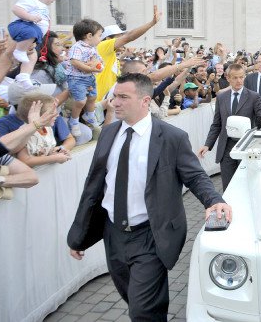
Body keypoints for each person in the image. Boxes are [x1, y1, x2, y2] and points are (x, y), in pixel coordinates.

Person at [67, 73, 230, 321]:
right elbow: (94, 188)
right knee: (134, 299)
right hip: (113, 234)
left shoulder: (172, 138)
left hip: (150, 235)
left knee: (143, 311)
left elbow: (195, 176)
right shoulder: (109, 134)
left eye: (123, 97)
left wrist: (214, 200)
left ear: (145, 101)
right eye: (114, 96)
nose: (115, 102)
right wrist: (79, 236)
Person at [198, 63, 261, 190]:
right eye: (235, 78)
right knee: (228, 187)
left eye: (241, 77)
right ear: (228, 78)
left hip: (245, 147)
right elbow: (217, 124)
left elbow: (260, 114)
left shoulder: (253, 96)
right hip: (226, 148)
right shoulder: (221, 97)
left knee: (246, 185)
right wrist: (207, 145)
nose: (239, 80)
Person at [96, 5, 163, 102]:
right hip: (98, 105)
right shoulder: (103, 45)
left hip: (107, 104)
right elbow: (130, 36)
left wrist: (124, 55)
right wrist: (152, 23)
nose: (123, 40)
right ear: (108, 39)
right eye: (120, 37)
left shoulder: (111, 55)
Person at [8, 0, 58, 89]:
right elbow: (16, 9)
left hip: (32, 33)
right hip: (23, 26)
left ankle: (24, 76)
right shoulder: (30, 0)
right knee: (31, 33)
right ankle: (19, 50)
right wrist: (29, 17)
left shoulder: (41, 5)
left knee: (33, 55)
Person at [65, 18, 105, 135]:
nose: (100, 39)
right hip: (77, 79)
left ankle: (90, 115)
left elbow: (98, 60)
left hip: (89, 78)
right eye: (99, 36)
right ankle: (74, 121)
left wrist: (98, 64)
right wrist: (90, 68)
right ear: (89, 36)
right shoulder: (77, 47)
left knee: (93, 97)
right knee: (81, 101)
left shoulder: (92, 48)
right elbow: (75, 62)